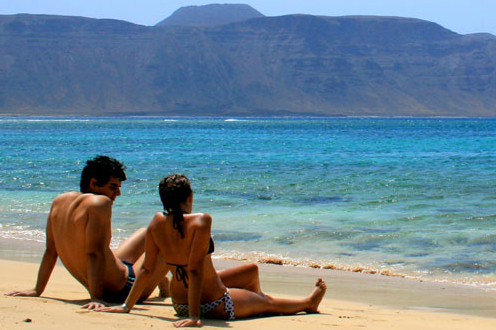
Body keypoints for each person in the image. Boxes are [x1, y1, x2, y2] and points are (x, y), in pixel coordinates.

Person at [98, 174, 327, 327]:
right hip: (212, 303)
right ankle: (307, 303)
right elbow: (195, 271)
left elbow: (147, 269)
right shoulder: (201, 221)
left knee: (251, 270)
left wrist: (127, 305)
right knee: (268, 301)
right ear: (190, 197)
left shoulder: (157, 222)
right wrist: (195, 317)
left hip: (180, 302)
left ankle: (249, 301)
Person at [5, 155, 166, 309]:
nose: (118, 193)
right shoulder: (100, 203)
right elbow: (94, 253)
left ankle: (162, 282)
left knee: (146, 232)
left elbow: (51, 251)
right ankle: (168, 283)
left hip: (117, 272)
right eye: (113, 187)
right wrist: (97, 298)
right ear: (93, 183)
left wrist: (37, 290)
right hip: (124, 290)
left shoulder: (59, 201)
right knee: (168, 239)